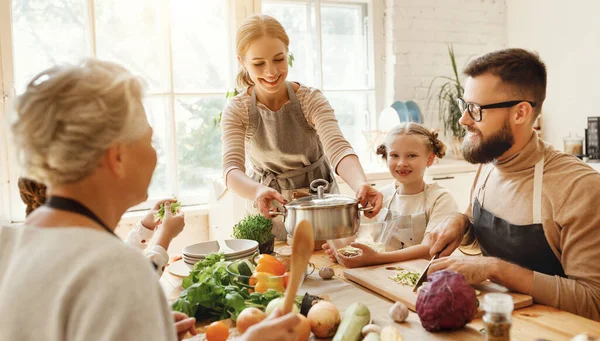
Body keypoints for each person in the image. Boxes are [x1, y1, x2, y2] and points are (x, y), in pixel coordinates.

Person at [0, 59, 301, 341]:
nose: (154, 152)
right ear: (116, 156)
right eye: (148, 140)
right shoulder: (119, 271)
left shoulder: (7, 245)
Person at [426, 48, 600, 320]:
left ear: (520, 113)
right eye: (464, 105)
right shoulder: (490, 159)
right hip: (497, 322)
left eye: (476, 110)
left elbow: (593, 302)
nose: (464, 120)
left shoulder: (579, 187)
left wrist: (495, 269)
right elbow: (481, 231)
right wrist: (460, 222)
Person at [221, 14, 382, 240]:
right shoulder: (237, 109)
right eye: (259, 63)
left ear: (288, 53)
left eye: (279, 59)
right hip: (270, 206)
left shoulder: (310, 99)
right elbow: (231, 170)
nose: (271, 71)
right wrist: (257, 191)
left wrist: (361, 183)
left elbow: (337, 148)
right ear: (243, 62)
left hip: (321, 206)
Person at [322, 123, 459, 268]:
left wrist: (376, 258)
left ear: (430, 159)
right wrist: (343, 250)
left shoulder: (441, 199)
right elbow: (364, 239)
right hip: (383, 274)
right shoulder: (382, 196)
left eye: (411, 155)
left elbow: (429, 249)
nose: (401, 163)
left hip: (421, 276)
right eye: (394, 155)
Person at [18, 177, 184, 276]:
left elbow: (118, 263)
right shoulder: (73, 242)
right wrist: (165, 235)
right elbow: (132, 282)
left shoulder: (47, 235)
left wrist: (146, 226)